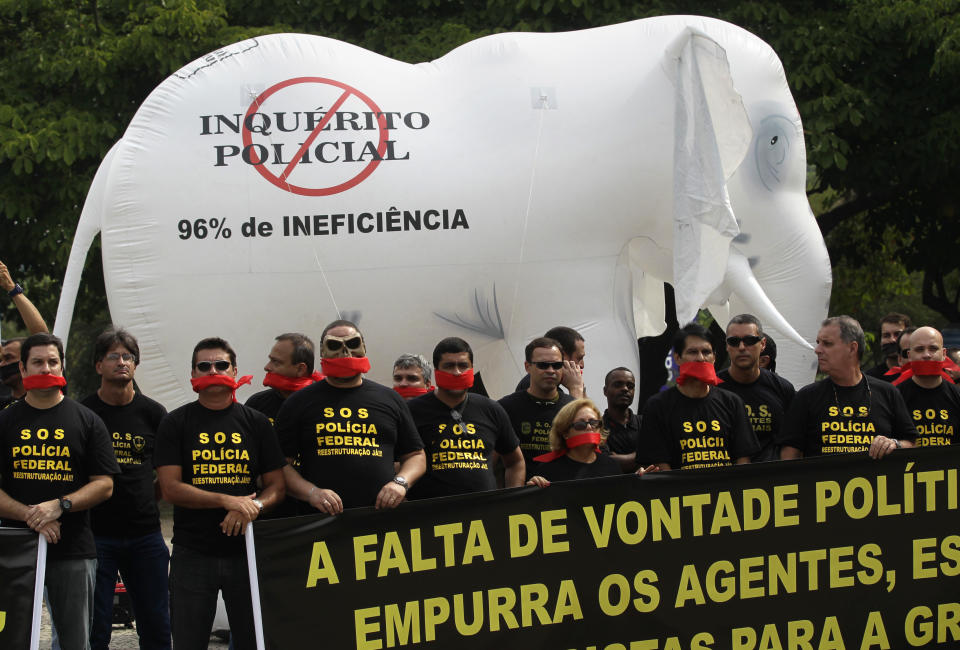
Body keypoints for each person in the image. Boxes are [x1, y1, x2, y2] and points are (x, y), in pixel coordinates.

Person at [155, 337, 286, 650]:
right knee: (188, 641)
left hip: (246, 551)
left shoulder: (256, 423)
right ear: (194, 374)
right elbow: (170, 488)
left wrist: (251, 507)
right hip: (192, 551)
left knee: (253, 640)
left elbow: (277, 487)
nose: (213, 370)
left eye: (221, 365)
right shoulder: (176, 423)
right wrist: (228, 501)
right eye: (204, 366)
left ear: (235, 370)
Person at [0, 333, 119, 650]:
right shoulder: (5, 421)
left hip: (74, 549)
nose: (46, 367)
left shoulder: (87, 420)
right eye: (37, 362)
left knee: (74, 641)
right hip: (13, 548)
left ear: (62, 366)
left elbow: (104, 484)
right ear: (23, 370)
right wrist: (32, 515)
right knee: (12, 637)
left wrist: (60, 505)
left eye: (53, 361)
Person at [275, 320, 425, 514]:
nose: (345, 352)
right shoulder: (298, 402)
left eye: (353, 344)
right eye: (335, 345)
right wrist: (312, 493)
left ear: (363, 348)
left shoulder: (390, 399)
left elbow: (416, 455)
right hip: (321, 522)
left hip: (382, 519)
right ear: (323, 352)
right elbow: (278, 465)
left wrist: (400, 483)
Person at [81, 329, 170, 650]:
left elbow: (167, 475)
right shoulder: (84, 414)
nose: (122, 362)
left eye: (128, 356)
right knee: (96, 628)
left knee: (157, 625)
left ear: (136, 364)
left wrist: (148, 499)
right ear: (98, 366)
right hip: (95, 536)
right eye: (113, 356)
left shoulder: (154, 414)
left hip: (145, 534)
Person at [778, 316, 917, 459]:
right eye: (818, 343)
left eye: (827, 343)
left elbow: (912, 443)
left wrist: (894, 444)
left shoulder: (887, 392)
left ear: (852, 348)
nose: (817, 350)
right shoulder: (806, 396)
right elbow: (789, 455)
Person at [407, 337, 524, 498]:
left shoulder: (491, 409)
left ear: (472, 368)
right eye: (449, 366)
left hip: (483, 514)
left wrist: (513, 499)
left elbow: (515, 462)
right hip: (432, 516)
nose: (457, 372)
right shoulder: (413, 411)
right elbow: (398, 462)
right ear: (436, 371)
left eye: (463, 366)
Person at [637, 323, 759, 471]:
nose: (701, 358)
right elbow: (660, 465)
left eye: (706, 352)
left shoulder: (732, 402)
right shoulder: (657, 406)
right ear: (677, 358)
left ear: (714, 357)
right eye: (693, 352)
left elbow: (743, 459)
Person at [717, 315, 795, 462]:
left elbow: (792, 442)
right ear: (727, 346)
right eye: (734, 342)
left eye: (749, 341)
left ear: (763, 344)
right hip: (725, 479)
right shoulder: (713, 388)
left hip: (771, 478)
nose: (741, 347)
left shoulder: (782, 388)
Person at [498, 337, 574, 477]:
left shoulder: (574, 408)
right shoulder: (504, 408)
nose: (551, 370)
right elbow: (492, 462)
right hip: (523, 493)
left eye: (557, 365)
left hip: (566, 493)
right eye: (543, 365)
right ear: (528, 367)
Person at [527, 398, 621, 485]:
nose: (589, 427)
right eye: (580, 424)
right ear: (565, 433)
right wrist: (533, 488)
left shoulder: (612, 466)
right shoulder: (547, 471)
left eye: (594, 423)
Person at [894, 326, 960, 446]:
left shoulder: (957, 396)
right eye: (919, 349)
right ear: (909, 355)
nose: (927, 355)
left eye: (933, 348)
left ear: (944, 354)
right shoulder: (894, 397)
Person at [1, 259, 49, 408]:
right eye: (1, 360)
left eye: (8, 358)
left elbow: (43, 337)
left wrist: (11, 288)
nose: (2, 365)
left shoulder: (49, 394)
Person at [245, 332, 320, 424]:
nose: (267, 367)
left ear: (300, 369)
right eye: (270, 360)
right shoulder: (256, 404)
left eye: (276, 362)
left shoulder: (323, 402)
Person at [514, 326, 585, 398]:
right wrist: (576, 388)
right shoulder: (537, 386)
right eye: (579, 358)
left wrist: (581, 387)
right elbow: (576, 409)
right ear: (562, 357)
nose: (582, 365)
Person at [601, 368, 639, 472]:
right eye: (618, 385)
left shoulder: (647, 422)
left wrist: (620, 458)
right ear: (605, 391)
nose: (625, 389)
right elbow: (605, 463)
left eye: (630, 386)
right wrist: (644, 455)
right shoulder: (597, 427)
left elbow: (658, 457)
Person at [865, 312, 911, 382]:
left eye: (897, 334)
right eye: (886, 335)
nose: (892, 340)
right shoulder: (870, 378)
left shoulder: (919, 375)